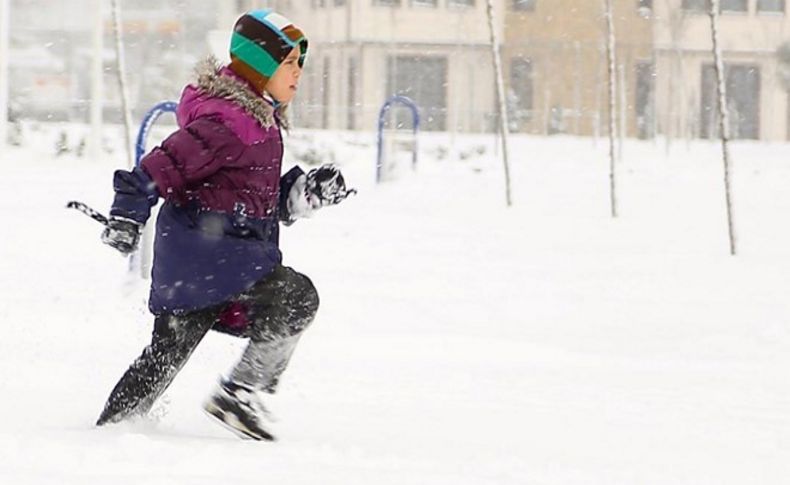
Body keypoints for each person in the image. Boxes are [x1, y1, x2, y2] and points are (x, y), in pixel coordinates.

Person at [95, 9, 353, 441]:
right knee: (293, 298)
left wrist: (307, 191)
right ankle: (234, 394)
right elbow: (160, 167)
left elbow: (257, 200)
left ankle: (118, 427)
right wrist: (126, 214)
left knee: (165, 357)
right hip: (206, 263)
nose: (297, 74)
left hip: (220, 265)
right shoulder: (227, 123)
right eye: (289, 62)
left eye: (299, 64)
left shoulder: (257, 122)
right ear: (261, 65)